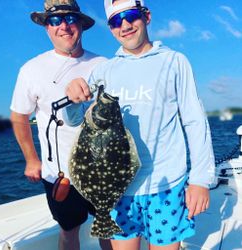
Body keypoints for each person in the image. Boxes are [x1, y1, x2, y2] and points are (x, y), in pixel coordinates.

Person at [64, 0, 215, 249]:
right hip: (120, 192)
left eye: (131, 15)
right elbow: (75, 119)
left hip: (166, 184)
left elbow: (194, 120)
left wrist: (200, 180)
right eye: (115, 21)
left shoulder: (175, 62)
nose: (124, 25)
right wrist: (71, 98)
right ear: (110, 28)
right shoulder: (104, 71)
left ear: (146, 16)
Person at [10, 0, 111, 249]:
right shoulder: (31, 70)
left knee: (108, 225)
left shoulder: (105, 65)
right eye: (54, 21)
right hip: (60, 174)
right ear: (47, 28)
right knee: (69, 229)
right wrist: (32, 159)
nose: (63, 26)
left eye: (70, 19)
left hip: (103, 170)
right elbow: (19, 116)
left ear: (81, 26)